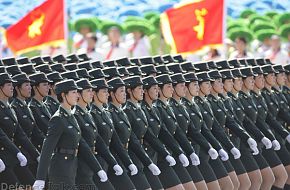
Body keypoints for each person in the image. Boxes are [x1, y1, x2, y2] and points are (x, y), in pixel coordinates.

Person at [32, 79, 107, 189]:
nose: (77, 95)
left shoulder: (71, 117)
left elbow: (82, 144)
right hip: (60, 170)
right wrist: (40, 177)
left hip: (71, 168)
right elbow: (47, 149)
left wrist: (98, 169)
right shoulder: (58, 119)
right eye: (74, 92)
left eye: (77, 92)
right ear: (63, 95)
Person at [107, 77, 160, 190]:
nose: (124, 93)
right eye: (121, 91)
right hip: (119, 161)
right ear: (112, 93)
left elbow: (140, 136)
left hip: (132, 159)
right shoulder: (113, 113)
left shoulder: (123, 112)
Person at [74, 78, 123, 190]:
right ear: (79, 94)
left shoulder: (88, 114)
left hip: (96, 165)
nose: (91, 93)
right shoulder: (76, 115)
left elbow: (98, 140)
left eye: (92, 90)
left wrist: (113, 163)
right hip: (82, 167)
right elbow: (83, 144)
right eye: (88, 91)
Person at [90, 78, 137, 190]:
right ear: (95, 94)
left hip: (112, 162)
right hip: (99, 163)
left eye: (107, 91)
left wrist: (128, 162)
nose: (107, 94)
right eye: (104, 91)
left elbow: (116, 141)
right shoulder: (92, 114)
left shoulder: (106, 114)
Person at [141, 75, 186, 190]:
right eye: (155, 88)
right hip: (148, 158)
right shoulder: (143, 110)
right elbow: (150, 136)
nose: (157, 91)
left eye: (158, 88)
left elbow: (165, 132)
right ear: (146, 91)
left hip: (160, 157)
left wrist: (181, 152)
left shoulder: (155, 109)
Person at [155, 74, 197, 190]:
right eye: (169, 86)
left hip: (176, 154)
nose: (172, 89)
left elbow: (180, 132)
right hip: (162, 157)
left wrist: (189, 151)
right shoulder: (157, 108)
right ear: (160, 89)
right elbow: (161, 134)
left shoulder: (169, 107)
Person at [0, 73, 38, 187]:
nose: (12, 87)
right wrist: (17, 152)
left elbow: (20, 134)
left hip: (12, 156)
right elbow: (1, 135)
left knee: (32, 185)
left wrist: (36, 154)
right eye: (8, 85)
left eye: (12, 84)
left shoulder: (9, 108)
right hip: (3, 158)